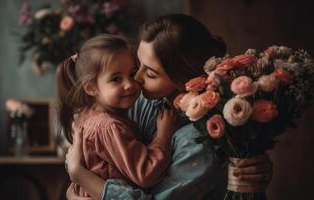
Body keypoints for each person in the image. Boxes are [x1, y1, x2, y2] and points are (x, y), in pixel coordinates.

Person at [64, 14, 273, 200]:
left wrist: (79, 175)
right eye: (138, 66)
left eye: (150, 73)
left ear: (183, 79)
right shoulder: (139, 99)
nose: (136, 79)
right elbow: (98, 153)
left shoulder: (201, 140)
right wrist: (75, 186)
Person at [57, 34, 179, 199]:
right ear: (91, 88)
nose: (130, 84)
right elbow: (145, 174)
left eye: (132, 74)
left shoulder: (89, 115)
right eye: (116, 79)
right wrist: (163, 136)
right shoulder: (108, 126)